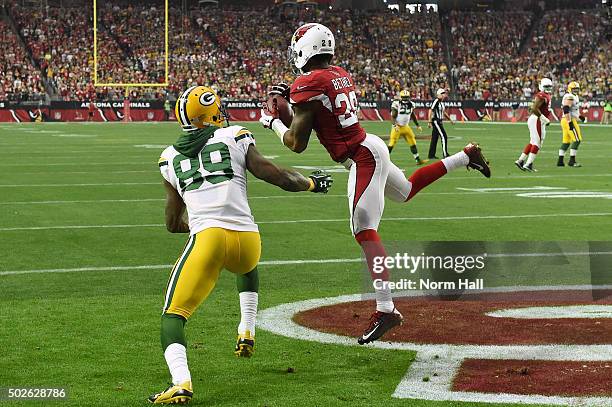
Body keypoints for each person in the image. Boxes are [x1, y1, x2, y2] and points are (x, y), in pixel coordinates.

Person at [259, 23, 490, 346]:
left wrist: (270, 122)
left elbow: (297, 142)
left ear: (304, 50)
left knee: (363, 228)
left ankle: (386, 309)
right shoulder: (337, 73)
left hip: (361, 156)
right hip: (370, 145)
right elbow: (311, 117)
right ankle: (466, 157)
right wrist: (290, 108)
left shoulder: (309, 83)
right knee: (406, 190)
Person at [149, 86, 332, 404]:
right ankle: (246, 329)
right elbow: (278, 176)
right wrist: (313, 184)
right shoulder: (234, 135)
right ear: (210, 113)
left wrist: (199, 224)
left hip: (207, 240)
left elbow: (170, 224)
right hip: (248, 241)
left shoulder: (169, 159)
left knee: (173, 315)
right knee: (247, 268)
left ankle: (181, 382)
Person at [515, 78, 553, 172]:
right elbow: (534, 108)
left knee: (533, 142)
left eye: (549, 86)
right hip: (537, 119)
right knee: (537, 143)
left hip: (536, 119)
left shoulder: (545, 95)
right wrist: (544, 118)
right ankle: (528, 164)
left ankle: (521, 160)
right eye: (546, 86)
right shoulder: (541, 95)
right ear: (541, 86)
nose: (548, 88)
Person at [388, 89, 427, 165]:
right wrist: (394, 125)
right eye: (404, 97)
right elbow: (393, 116)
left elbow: (412, 115)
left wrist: (417, 125)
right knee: (391, 143)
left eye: (406, 97)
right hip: (397, 127)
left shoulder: (411, 104)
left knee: (412, 142)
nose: (405, 99)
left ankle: (417, 160)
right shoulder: (396, 104)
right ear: (401, 97)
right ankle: (383, 160)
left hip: (406, 127)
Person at [557, 81, 584, 167]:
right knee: (577, 140)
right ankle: (572, 161)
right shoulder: (570, 96)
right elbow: (566, 109)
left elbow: (573, 110)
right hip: (568, 120)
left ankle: (560, 161)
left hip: (565, 120)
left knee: (566, 141)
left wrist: (580, 116)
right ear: (570, 89)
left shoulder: (574, 96)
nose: (575, 91)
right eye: (574, 89)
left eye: (577, 89)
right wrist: (570, 122)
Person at [427, 88, 454, 159]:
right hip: (436, 121)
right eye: (443, 93)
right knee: (444, 136)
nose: (444, 95)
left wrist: (450, 120)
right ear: (439, 94)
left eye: (444, 93)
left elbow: (444, 113)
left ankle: (431, 155)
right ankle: (445, 154)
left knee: (434, 138)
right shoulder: (436, 101)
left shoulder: (441, 103)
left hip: (439, 121)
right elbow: (431, 110)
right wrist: (429, 121)